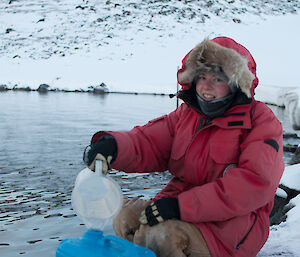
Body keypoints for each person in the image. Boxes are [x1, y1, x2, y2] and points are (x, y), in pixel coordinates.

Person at [83, 36, 285, 257]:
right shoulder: (187, 115)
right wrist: (113, 146)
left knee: (163, 234)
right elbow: (148, 142)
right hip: (181, 204)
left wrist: (180, 207)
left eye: (217, 79)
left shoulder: (261, 121)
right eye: (202, 77)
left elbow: (253, 184)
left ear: (235, 83)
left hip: (233, 226)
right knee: (124, 216)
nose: (206, 86)